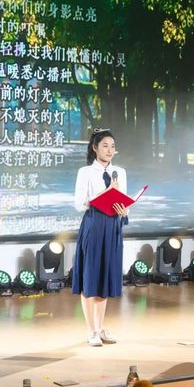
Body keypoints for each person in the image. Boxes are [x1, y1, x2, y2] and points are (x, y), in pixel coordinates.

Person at [72, 128, 128, 346]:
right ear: (95, 148)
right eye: (105, 145)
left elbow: (123, 200)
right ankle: (91, 330)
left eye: (113, 146)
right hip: (94, 225)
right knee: (90, 276)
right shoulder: (85, 172)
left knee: (105, 275)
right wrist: (105, 193)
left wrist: (125, 210)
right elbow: (80, 204)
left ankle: (100, 327)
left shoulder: (120, 172)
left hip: (113, 226)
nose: (110, 150)